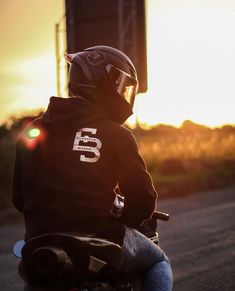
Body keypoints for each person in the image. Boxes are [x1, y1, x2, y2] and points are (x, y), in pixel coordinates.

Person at [12, 45, 173, 290]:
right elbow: (143, 198)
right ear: (109, 82)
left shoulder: (32, 131)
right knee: (158, 262)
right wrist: (124, 218)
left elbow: (19, 198)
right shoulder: (115, 134)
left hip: (39, 242)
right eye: (124, 85)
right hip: (100, 236)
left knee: (38, 279)